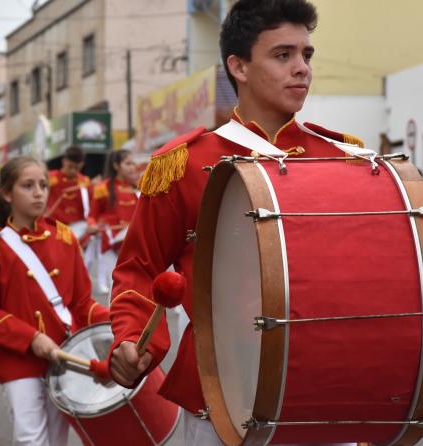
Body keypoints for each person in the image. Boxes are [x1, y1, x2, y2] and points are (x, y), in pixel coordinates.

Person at [107, 1, 365, 444]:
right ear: (239, 67)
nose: (301, 68)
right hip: (220, 393)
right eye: (282, 55)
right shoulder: (184, 164)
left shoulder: (343, 159)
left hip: (323, 390)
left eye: (306, 54)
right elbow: (139, 268)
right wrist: (132, 337)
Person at [0, 156, 109, 446]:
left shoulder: (65, 238)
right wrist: (31, 337)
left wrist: (114, 320)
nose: (38, 193)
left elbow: (81, 303)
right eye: (28, 186)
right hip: (17, 358)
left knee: (58, 438)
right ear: (7, 194)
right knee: (30, 437)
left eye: (43, 185)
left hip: (64, 351)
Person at [87, 149, 139, 294]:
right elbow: (92, 215)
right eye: (128, 163)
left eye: (133, 163)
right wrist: (92, 225)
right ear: (116, 166)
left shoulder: (137, 188)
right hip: (110, 240)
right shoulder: (103, 188)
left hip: (131, 241)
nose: (133, 167)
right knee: (114, 283)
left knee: (132, 283)